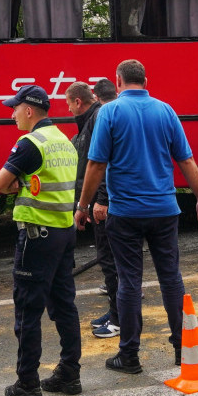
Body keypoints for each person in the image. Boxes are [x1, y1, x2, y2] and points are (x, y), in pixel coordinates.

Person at [75, 59, 198, 374]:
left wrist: (83, 207)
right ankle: (182, 348)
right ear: (146, 80)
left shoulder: (109, 112)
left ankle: (130, 355)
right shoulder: (165, 110)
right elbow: (186, 160)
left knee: (129, 282)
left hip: (125, 214)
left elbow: (96, 166)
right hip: (164, 211)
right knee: (171, 278)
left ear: (118, 81)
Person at [0, 85, 82, 396]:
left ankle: (27, 383)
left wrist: (18, 184)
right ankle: (70, 373)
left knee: (28, 309)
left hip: (36, 236)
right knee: (64, 305)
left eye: (15, 108)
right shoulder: (64, 141)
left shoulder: (30, 143)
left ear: (29, 111)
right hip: (63, 233)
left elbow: (0, 183)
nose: (12, 113)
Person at [65, 81, 117, 339]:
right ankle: (117, 312)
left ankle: (119, 319)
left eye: (68, 104)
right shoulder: (89, 121)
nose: (68, 110)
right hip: (96, 199)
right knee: (108, 260)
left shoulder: (96, 118)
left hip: (102, 202)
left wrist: (101, 200)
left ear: (78, 102)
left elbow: (103, 162)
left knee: (110, 260)